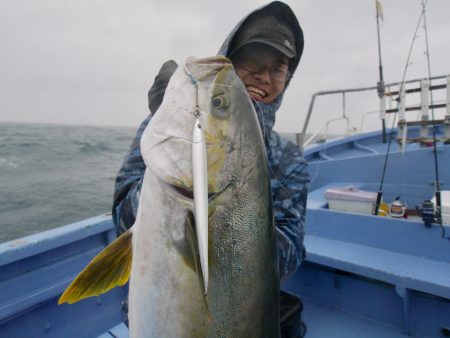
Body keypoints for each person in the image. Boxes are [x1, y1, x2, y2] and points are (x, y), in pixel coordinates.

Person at [112, 1, 309, 337]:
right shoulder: (164, 130)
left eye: (277, 69)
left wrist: (232, 226)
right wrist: (174, 196)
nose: (264, 77)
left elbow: (289, 252)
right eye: (252, 64)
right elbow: (122, 215)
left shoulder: (289, 160)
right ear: (231, 62)